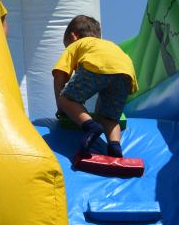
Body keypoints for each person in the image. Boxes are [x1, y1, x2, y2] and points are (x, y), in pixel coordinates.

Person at [52, 14, 137, 158]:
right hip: (126, 72)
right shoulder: (109, 45)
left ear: (73, 36)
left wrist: (62, 106)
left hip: (96, 65)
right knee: (109, 117)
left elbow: (60, 74)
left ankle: (91, 127)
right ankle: (115, 148)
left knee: (65, 99)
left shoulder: (77, 44)